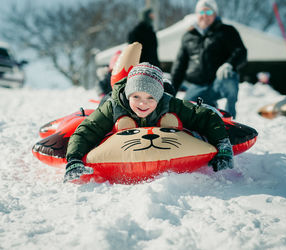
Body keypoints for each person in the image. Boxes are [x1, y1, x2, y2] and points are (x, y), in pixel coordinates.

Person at [64, 62, 234, 182]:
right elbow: (87, 130)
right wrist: (74, 159)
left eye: (150, 97)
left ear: (159, 97)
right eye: (136, 96)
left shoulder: (169, 103)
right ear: (128, 94)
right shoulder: (113, 107)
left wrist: (223, 146)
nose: (142, 103)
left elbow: (205, 117)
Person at [170, 0, 247, 118]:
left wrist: (229, 64)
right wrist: (171, 91)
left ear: (215, 14)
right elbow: (180, 65)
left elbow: (240, 51)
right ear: (197, 14)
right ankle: (210, 109)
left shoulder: (227, 31)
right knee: (186, 111)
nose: (205, 15)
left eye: (209, 11)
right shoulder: (189, 36)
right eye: (201, 11)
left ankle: (230, 116)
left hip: (219, 82)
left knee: (229, 77)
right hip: (197, 85)